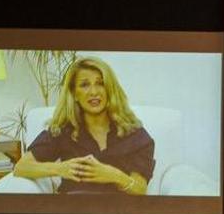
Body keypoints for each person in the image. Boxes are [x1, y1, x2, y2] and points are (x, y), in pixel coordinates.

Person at [14, 56, 155, 195]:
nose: (94, 92)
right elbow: (21, 167)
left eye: (100, 83)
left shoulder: (135, 134)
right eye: (85, 85)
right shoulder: (62, 131)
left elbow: (140, 189)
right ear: (74, 93)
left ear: (109, 89)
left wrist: (113, 175)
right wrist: (60, 168)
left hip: (117, 212)